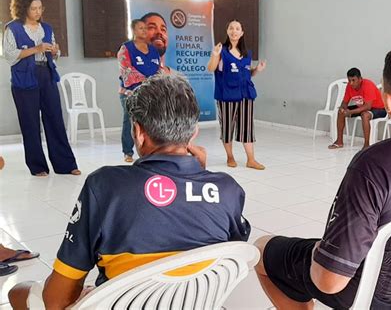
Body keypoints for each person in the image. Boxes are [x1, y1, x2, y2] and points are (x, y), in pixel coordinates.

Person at [255, 42, 391, 309]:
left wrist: (317, 251)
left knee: (262, 250)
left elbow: (330, 282)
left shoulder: (374, 165)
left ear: (389, 101)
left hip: (371, 296)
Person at [9, 74, 251, 309]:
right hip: (195, 302)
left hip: (122, 303)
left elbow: (56, 301)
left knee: (17, 292)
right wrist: (197, 177)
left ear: (138, 132)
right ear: (194, 132)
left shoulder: (104, 186)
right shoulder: (228, 189)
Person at [3, 0, 80, 176]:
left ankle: (66, 165)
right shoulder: (12, 28)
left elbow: (54, 53)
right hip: (24, 79)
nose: (38, 12)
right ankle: (37, 167)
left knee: (55, 119)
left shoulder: (47, 28)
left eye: (40, 8)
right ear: (23, 9)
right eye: (33, 8)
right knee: (30, 123)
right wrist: (35, 48)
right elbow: (10, 56)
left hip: (46, 75)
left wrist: (55, 52)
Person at [207, 20, 266, 170]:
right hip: (227, 95)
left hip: (246, 95)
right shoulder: (221, 51)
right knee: (227, 128)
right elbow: (211, 68)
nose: (234, 31)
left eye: (237, 28)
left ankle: (251, 160)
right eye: (231, 28)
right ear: (227, 31)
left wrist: (257, 69)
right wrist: (215, 55)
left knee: (247, 128)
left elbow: (247, 74)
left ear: (242, 33)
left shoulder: (247, 54)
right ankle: (230, 156)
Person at [117, 19, 161, 163]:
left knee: (150, 122)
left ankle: (149, 150)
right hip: (130, 93)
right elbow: (127, 71)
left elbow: (159, 69)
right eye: (140, 28)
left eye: (146, 28)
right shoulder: (126, 48)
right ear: (134, 31)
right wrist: (147, 81)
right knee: (130, 121)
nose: (144, 31)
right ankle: (128, 152)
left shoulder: (153, 49)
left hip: (151, 92)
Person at [328, 68, 386, 149]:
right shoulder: (349, 86)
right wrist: (342, 108)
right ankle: (339, 141)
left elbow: (368, 106)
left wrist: (350, 112)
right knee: (340, 112)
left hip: (379, 109)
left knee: (365, 115)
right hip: (362, 106)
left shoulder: (368, 84)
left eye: (353, 80)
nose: (351, 83)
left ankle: (366, 145)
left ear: (360, 79)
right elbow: (345, 102)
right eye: (349, 80)